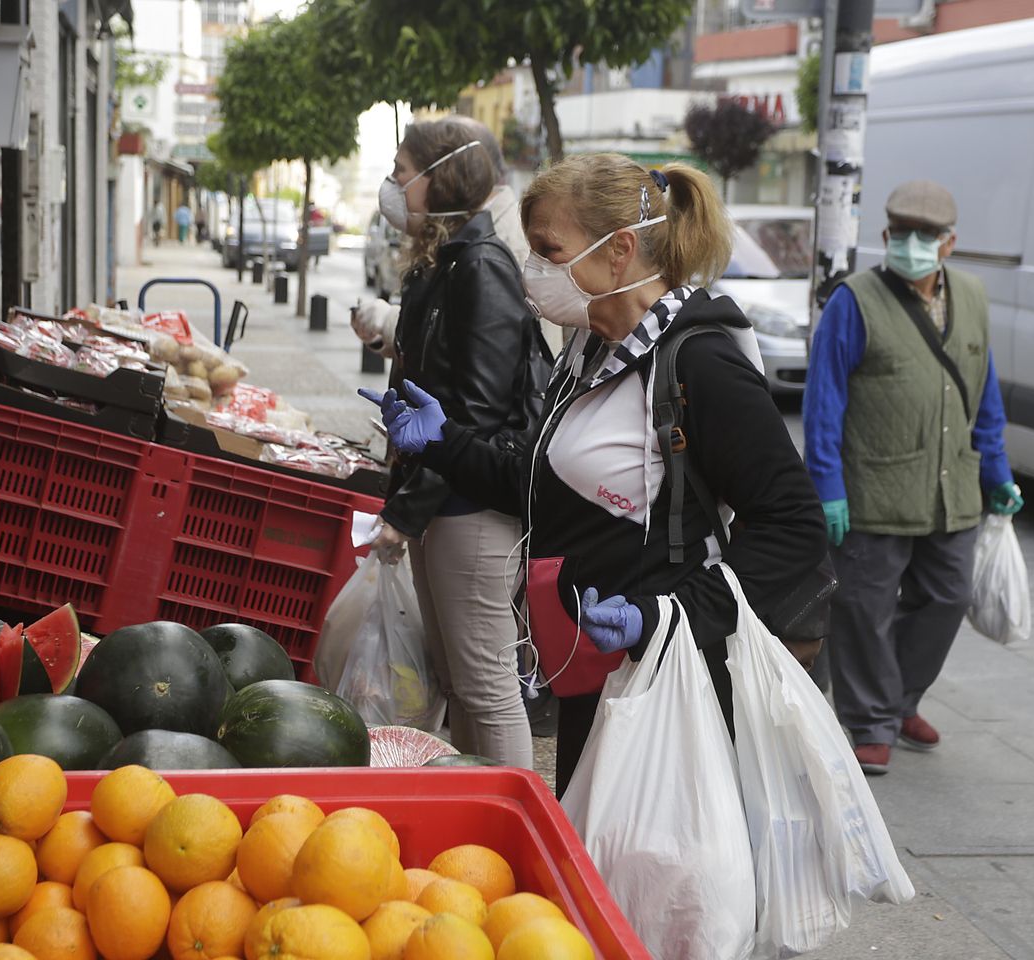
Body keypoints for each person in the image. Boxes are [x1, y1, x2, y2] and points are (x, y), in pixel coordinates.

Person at [364, 153, 828, 794]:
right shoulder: (590, 348)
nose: (534, 272)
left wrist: (663, 616)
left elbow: (794, 526)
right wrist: (444, 442)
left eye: (549, 251)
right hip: (593, 676)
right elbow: (539, 489)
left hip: (670, 689)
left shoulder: (701, 361)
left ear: (620, 250)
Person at [803, 180, 1022, 776]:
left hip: (953, 489)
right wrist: (827, 486)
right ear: (885, 237)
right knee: (865, 608)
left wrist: (997, 472)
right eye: (901, 235)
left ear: (949, 244)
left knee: (947, 597)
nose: (912, 246)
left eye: (925, 237)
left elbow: (985, 392)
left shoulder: (973, 298)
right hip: (873, 488)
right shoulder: (855, 300)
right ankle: (872, 721)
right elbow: (825, 402)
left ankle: (899, 701)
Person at [355, 117, 550, 768]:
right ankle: (477, 820)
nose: (394, 187)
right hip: (440, 499)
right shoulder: (445, 261)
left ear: (442, 179)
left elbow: (477, 410)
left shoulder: (482, 265)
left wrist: (407, 510)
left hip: (471, 508)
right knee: (458, 685)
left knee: (487, 688)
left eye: (403, 172)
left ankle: (512, 830)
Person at [353, 119, 560, 358]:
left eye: (400, 170)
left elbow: (494, 360)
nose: (393, 182)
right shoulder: (459, 237)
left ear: (451, 174)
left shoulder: (501, 248)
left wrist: (389, 320)